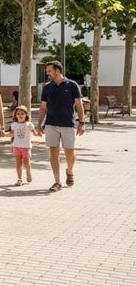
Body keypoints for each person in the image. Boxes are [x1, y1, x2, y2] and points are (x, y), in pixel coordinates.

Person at [36, 60, 86, 192]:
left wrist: (81, 122)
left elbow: (79, 105)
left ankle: (69, 171)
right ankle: (57, 181)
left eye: (49, 71)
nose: (47, 74)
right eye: (47, 72)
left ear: (57, 71)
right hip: (51, 124)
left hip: (68, 124)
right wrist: (39, 124)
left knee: (69, 152)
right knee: (53, 152)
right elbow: (43, 107)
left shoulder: (72, 85)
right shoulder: (47, 87)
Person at [10, 106, 38, 186]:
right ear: (15, 115)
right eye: (18, 114)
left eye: (22, 114)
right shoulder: (14, 124)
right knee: (18, 163)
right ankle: (19, 179)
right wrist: (4, 134)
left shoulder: (29, 124)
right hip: (16, 146)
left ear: (26, 115)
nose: (20, 115)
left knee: (26, 162)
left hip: (26, 147)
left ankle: (28, 172)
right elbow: (11, 134)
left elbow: (35, 133)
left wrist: (38, 133)